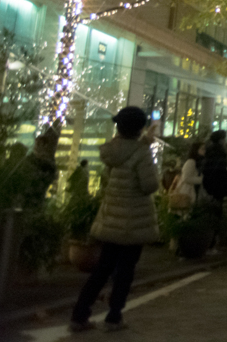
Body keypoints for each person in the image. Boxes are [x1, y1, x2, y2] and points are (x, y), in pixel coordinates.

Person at [70, 107, 159, 333]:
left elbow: (121, 158)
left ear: (119, 127)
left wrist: (143, 142)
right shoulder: (141, 153)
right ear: (140, 128)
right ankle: (113, 316)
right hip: (133, 221)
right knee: (125, 271)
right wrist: (145, 146)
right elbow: (149, 185)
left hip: (111, 218)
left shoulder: (112, 151)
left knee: (102, 269)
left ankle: (80, 314)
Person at [174, 142, 205, 207]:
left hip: (191, 193)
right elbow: (186, 178)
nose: (204, 151)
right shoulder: (191, 162)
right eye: (202, 149)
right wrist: (202, 179)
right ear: (196, 150)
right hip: (187, 194)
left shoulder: (198, 162)